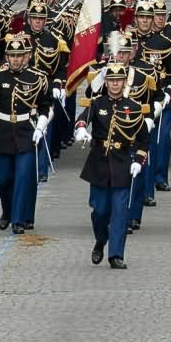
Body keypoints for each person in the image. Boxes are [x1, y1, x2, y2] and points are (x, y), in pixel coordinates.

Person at [74, 60, 149, 268]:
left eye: (119, 80)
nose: (115, 84)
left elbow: (144, 139)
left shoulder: (133, 108)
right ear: (106, 82)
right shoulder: (97, 103)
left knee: (120, 211)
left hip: (122, 162)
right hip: (98, 161)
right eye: (111, 80)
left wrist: (139, 160)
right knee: (99, 211)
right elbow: (83, 118)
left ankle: (116, 254)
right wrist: (81, 129)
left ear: (124, 82)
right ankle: (100, 240)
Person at [0, 33, 52, 235]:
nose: (16, 59)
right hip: (2, 131)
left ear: (27, 56)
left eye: (20, 55)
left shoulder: (38, 78)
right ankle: (7, 211)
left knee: (23, 177)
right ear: (7, 57)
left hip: (26, 131)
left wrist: (40, 127)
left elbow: (46, 107)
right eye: (12, 55)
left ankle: (18, 220)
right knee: (2, 179)